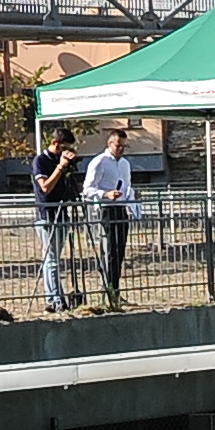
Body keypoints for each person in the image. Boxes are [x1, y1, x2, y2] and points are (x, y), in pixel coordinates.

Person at [80, 124, 136, 307]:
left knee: (119, 252)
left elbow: (127, 186)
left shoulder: (125, 164)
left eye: (124, 146)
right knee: (110, 252)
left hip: (122, 209)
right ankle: (109, 291)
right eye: (118, 146)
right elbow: (87, 189)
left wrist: (132, 196)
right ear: (109, 143)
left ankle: (115, 291)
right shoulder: (99, 162)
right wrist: (105, 194)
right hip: (107, 209)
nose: (121, 150)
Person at [30, 131, 78, 312]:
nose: (66, 152)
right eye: (64, 148)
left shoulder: (62, 162)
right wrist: (60, 167)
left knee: (55, 259)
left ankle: (56, 297)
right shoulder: (40, 161)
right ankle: (55, 299)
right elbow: (45, 188)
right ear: (55, 143)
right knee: (51, 260)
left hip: (63, 213)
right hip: (47, 215)